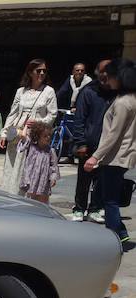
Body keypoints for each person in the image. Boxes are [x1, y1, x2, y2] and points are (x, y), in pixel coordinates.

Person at [85, 58, 136, 244]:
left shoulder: (123, 102)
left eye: (111, 76)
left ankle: (114, 237)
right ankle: (120, 233)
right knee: (108, 197)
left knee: (110, 200)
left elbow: (114, 134)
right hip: (122, 156)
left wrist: (95, 156)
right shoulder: (131, 99)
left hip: (115, 157)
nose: (107, 80)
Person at [0, 59, 58, 195]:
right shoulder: (21, 91)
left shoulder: (49, 91)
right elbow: (13, 113)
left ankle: (26, 200)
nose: (42, 73)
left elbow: (52, 115)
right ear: (30, 72)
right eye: (38, 70)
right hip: (16, 134)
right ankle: (10, 197)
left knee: (29, 169)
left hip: (34, 136)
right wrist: (4, 132)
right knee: (13, 167)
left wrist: (37, 121)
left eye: (44, 71)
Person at [70, 59, 113, 222]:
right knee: (84, 179)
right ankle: (79, 208)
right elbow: (79, 119)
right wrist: (80, 143)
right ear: (96, 72)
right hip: (89, 143)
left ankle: (95, 208)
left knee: (101, 180)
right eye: (102, 71)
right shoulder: (89, 92)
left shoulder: (116, 92)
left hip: (108, 144)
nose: (105, 75)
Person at [18, 122, 59, 203]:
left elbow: (53, 166)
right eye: (45, 136)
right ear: (38, 136)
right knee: (29, 200)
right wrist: (26, 126)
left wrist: (53, 178)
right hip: (30, 180)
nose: (48, 138)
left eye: (49, 136)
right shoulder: (31, 146)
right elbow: (23, 136)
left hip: (43, 181)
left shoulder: (50, 151)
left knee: (43, 201)